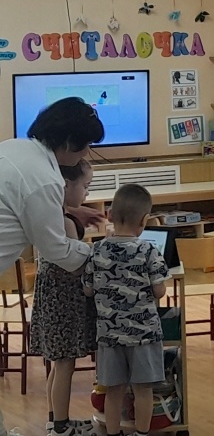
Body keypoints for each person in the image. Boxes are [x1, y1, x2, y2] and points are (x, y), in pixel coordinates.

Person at [83, 184, 170, 436]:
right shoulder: (149, 250)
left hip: (109, 335)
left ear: (109, 214)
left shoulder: (96, 250)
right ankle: (141, 434)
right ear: (144, 220)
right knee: (143, 389)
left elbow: (87, 290)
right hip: (144, 335)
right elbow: (159, 291)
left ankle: (113, 433)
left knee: (113, 390)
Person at [28, 159, 99, 436]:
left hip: (52, 299)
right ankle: (61, 426)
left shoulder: (54, 213)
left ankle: (55, 419)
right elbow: (76, 264)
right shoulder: (65, 222)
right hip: (65, 302)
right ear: (66, 184)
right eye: (85, 186)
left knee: (58, 364)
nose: (87, 193)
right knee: (65, 364)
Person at [0, 97, 106, 274]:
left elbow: (21, 208)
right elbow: (57, 250)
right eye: (87, 144)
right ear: (69, 142)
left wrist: (65, 212)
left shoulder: (12, 146)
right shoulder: (45, 179)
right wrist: (105, 256)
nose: (87, 152)